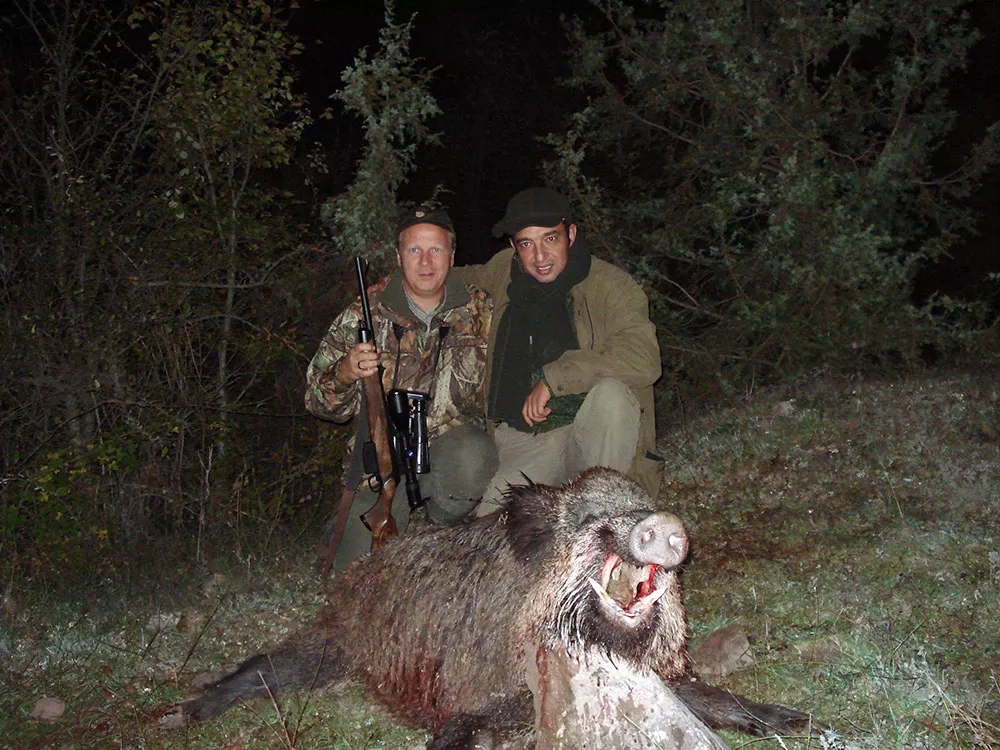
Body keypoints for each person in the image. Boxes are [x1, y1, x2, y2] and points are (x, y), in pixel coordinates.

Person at [305, 206, 497, 572]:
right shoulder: (361, 315)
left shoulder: (482, 310)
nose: (425, 261)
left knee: (474, 456)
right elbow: (317, 403)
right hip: (383, 469)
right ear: (398, 257)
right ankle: (367, 523)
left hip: (449, 457)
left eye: (436, 250)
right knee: (359, 578)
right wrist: (344, 373)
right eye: (414, 250)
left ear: (452, 257)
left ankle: (439, 525)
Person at [455, 188, 663, 513]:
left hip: (592, 432)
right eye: (527, 243)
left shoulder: (612, 286)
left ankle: (602, 514)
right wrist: (397, 283)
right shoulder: (504, 271)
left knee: (612, 395)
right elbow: (450, 277)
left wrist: (555, 379)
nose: (540, 256)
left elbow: (643, 358)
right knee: (494, 529)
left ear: (571, 234)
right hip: (527, 439)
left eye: (550, 239)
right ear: (513, 247)